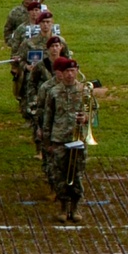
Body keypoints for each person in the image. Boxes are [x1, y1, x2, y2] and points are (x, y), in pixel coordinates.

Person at [42, 57, 90, 225]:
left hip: (77, 139)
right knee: (60, 175)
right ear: (61, 73)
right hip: (60, 138)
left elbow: (94, 114)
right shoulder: (54, 92)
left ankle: (75, 207)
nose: (70, 75)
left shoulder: (84, 91)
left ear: (77, 71)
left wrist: (86, 118)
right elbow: (48, 118)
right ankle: (63, 207)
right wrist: (47, 142)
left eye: (73, 71)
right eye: (67, 71)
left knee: (76, 174)